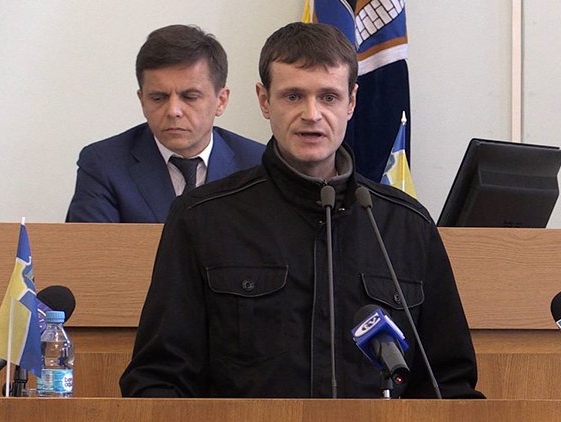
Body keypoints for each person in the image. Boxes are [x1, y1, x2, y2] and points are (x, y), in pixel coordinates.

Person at [120, 22, 483, 399]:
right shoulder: (202, 219)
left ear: (351, 102)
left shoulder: (407, 225)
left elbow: (449, 386)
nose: (312, 114)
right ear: (264, 100)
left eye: (328, 97)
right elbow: (158, 380)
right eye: (293, 96)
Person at [66, 25, 264, 223]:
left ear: (221, 101)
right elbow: (91, 243)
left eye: (190, 97)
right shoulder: (104, 164)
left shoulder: (258, 164)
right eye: (158, 98)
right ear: (142, 101)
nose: (173, 111)